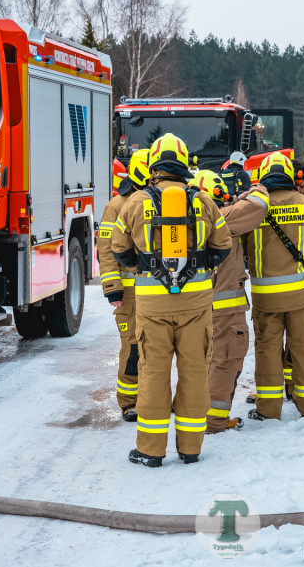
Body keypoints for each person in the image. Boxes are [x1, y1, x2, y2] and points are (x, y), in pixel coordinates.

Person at [111, 133, 232, 467]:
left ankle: (151, 450)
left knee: (153, 373)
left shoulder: (136, 202)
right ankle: (190, 448)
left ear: (154, 166)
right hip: (196, 304)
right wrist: (202, 264)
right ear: (184, 164)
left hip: (152, 305)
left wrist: (143, 265)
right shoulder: (204, 201)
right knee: (194, 371)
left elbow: (118, 249)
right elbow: (223, 246)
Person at [246, 152, 304, 421]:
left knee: (267, 351)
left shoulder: (253, 208)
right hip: (299, 296)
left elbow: (236, 246)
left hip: (265, 299)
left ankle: (268, 409)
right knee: (303, 348)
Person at [188, 170, 269, 433]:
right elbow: (258, 207)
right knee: (225, 359)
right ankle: (214, 421)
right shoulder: (222, 217)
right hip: (223, 308)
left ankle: (193, 413)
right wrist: (256, 188)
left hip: (192, 306)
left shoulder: (182, 220)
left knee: (199, 361)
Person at [98, 149, 149, 421]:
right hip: (129, 292)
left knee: (155, 346)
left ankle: (151, 399)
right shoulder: (116, 205)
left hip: (153, 289)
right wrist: (112, 288)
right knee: (132, 347)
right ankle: (129, 402)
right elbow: (106, 249)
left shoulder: (155, 200)